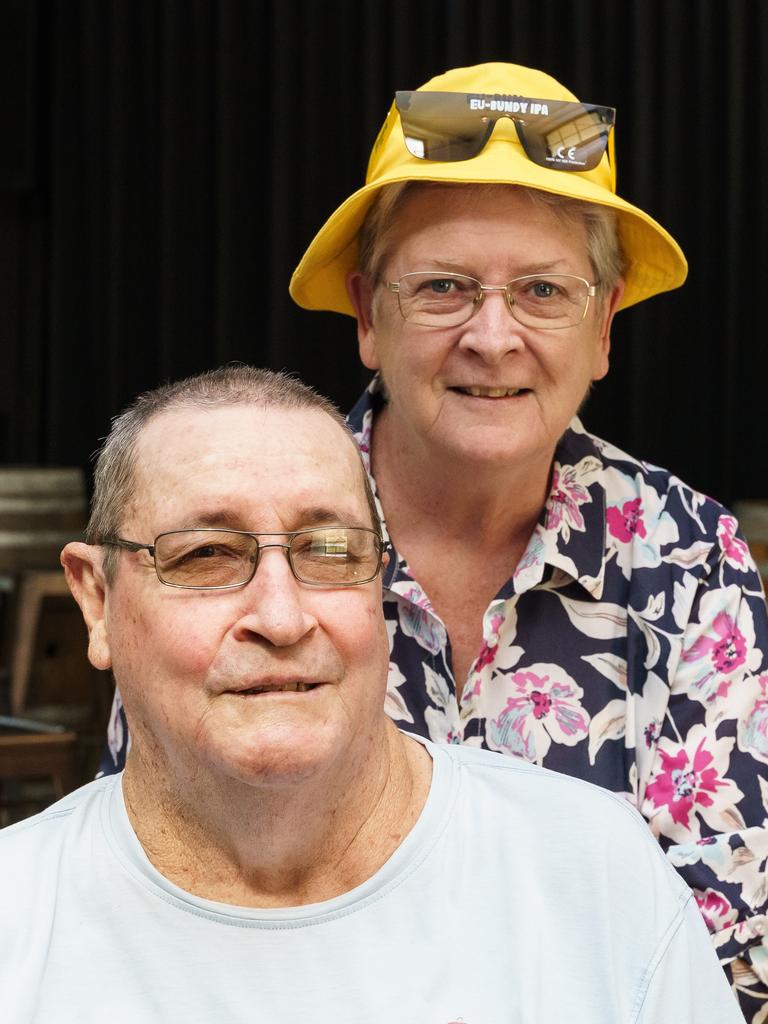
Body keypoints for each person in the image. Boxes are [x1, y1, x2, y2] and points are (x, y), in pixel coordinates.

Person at [102, 63, 768, 1016]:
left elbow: (726, 957)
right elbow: (150, 881)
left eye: (543, 291)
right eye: (444, 287)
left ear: (605, 325)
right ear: (370, 314)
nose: (493, 337)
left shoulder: (690, 557)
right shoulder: (235, 536)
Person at [0, 365, 743, 1022]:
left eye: (327, 551)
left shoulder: (589, 877)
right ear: (97, 600)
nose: (283, 617)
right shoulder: (19, 914)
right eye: (205, 555)